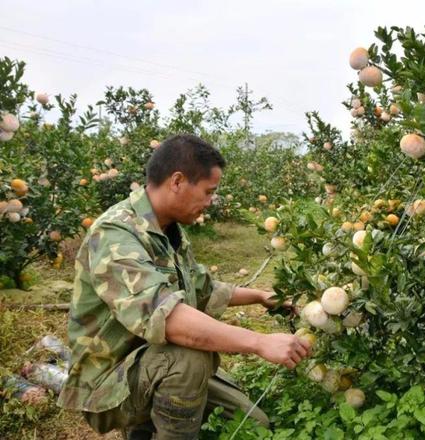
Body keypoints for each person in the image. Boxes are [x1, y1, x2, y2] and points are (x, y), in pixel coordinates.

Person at [57, 134, 311, 439]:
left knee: (253, 423)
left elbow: (202, 286)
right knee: (190, 359)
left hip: (152, 361)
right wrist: (259, 342)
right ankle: (143, 428)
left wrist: (260, 296)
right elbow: (168, 318)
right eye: (208, 192)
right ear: (177, 181)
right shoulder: (115, 234)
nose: (210, 202)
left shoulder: (169, 230)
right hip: (108, 382)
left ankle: (150, 424)